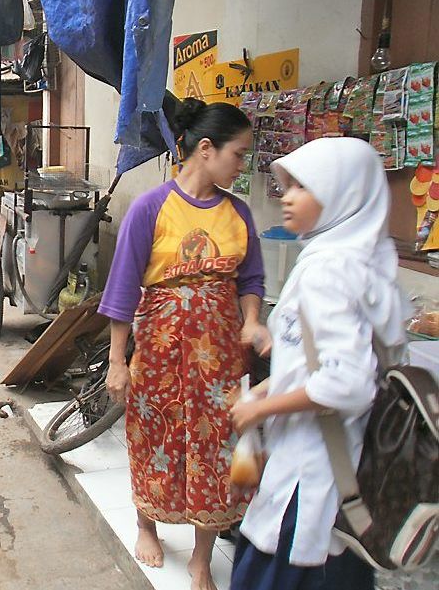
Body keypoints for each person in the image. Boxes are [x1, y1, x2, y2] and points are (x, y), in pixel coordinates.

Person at [99, 98, 268, 590]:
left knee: (217, 451)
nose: (243, 165)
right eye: (239, 154)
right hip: (160, 352)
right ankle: (147, 524)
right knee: (154, 438)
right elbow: (122, 288)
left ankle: (201, 555)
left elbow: (251, 278)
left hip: (218, 360)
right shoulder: (151, 208)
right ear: (207, 150)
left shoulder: (238, 214)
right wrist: (117, 360)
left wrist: (251, 321)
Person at [228, 138, 407, 590]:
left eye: (303, 187)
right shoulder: (366, 260)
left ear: (342, 194)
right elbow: (323, 360)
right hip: (344, 473)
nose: (286, 197)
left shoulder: (329, 269)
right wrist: (266, 390)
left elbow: (347, 383)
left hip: (310, 479)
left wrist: (258, 411)